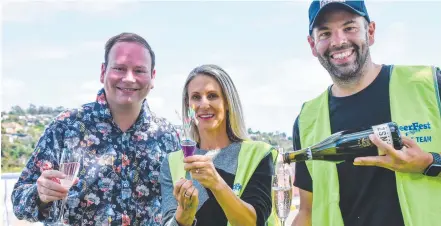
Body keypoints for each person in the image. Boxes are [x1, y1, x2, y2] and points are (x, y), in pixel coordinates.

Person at [292, 1, 441, 226]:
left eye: (349, 27)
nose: (338, 41)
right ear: (313, 45)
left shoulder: (429, 85)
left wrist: (429, 162)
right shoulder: (306, 120)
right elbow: (307, 211)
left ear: (370, 32)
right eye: (325, 33)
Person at [11, 32, 181, 226]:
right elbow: (19, 202)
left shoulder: (167, 137)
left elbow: (177, 209)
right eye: (119, 68)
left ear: (152, 77)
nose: (129, 78)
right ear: (103, 72)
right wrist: (39, 194)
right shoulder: (65, 127)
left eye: (139, 70)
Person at [160, 64, 279, 226]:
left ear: (228, 102)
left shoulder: (258, 154)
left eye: (212, 95)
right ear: (188, 106)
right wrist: (184, 215)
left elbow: (254, 222)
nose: (204, 104)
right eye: (196, 97)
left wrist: (216, 183)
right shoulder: (172, 163)